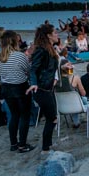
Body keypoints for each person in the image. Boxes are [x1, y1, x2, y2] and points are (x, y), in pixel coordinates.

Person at [0, 30, 34, 153]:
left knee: (14, 115)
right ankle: (22, 144)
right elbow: (28, 71)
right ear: (14, 41)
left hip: (6, 88)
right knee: (24, 116)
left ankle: (14, 143)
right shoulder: (19, 55)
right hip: (20, 88)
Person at [26, 24, 59, 154]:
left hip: (48, 89)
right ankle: (45, 149)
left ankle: (48, 144)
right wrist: (33, 83)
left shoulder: (49, 48)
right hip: (42, 90)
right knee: (52, 119)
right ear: (48, 35)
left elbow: (49, 68)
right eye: (55, 32)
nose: (57, 34)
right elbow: (33, 69)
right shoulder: (41, 49)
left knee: (53, 118)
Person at [55, 59, 88, 128]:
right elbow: (83, 93)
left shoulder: (56, 80)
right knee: (83, 98)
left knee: (72, 99)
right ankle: (76, 122)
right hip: (76, 106)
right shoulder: (75, 78)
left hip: (61, 107)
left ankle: (76, 122)